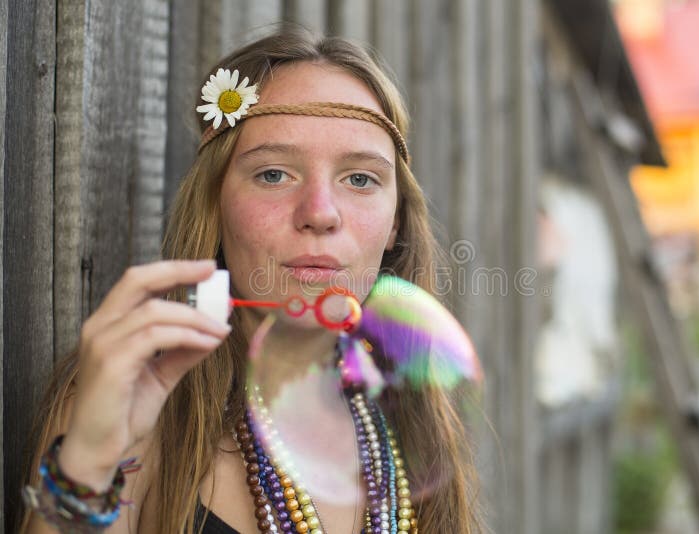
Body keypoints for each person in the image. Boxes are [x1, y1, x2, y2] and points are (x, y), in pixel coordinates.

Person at [20, 27, 482, 534]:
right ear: (214, 204)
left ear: (395, 221)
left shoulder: (409, 421)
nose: (320, 213)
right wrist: (89, 461)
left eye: (359, 179)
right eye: (273, 174)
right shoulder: (135, 406)